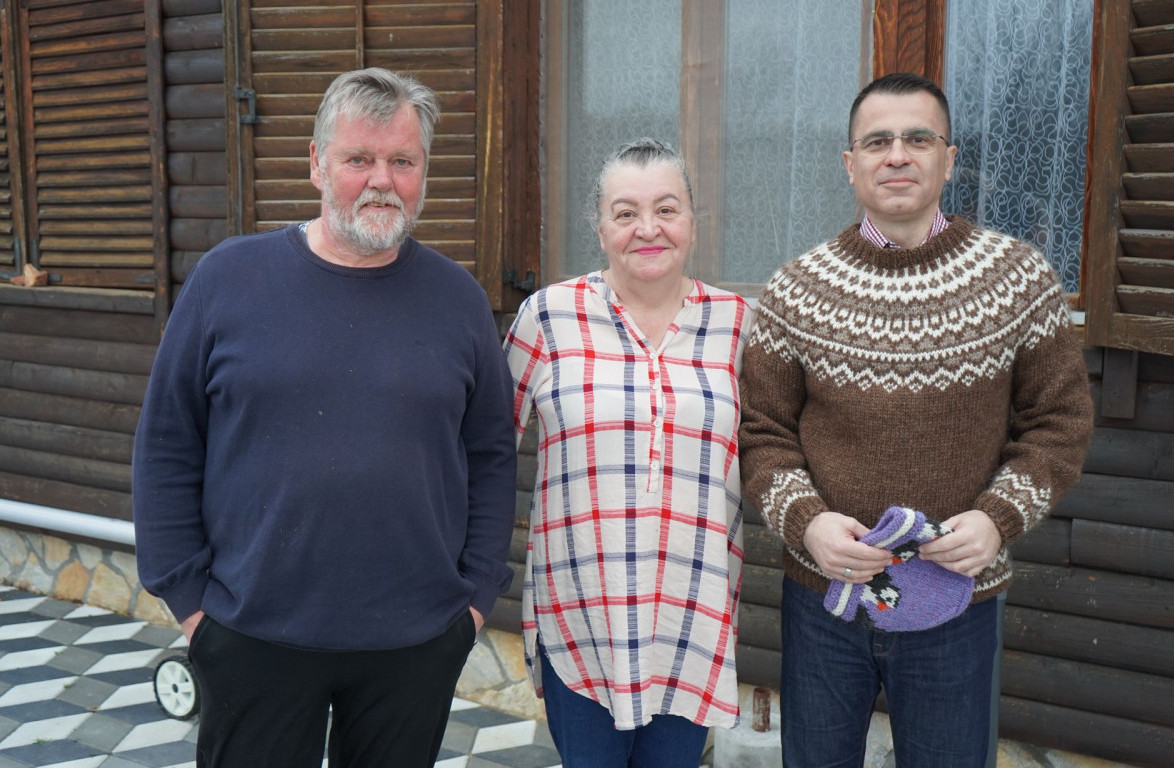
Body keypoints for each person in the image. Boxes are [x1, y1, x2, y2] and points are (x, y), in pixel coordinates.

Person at [132, 68, 516, 767]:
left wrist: (475, 599)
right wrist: (190, 606)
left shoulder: (459, 300)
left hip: (416, 639)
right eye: (358, 159)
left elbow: (490, 452)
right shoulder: (227, 280)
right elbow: (165, 444)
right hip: (252, 635)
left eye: (403, 161)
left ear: (423, 171)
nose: (382, 180)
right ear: (316, 164)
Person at [739, 72, 1093, 767]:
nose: (896, 155)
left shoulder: (1018, 279)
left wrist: (997, 518)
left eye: (917, 138)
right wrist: (807, 521)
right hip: (824, 600)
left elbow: (1059, 421)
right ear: (851, 164)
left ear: (949, 157)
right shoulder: (795, 290)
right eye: (877, 141)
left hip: (959, 602)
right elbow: (763, 436)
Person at [503, 138, 754, 767]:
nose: (648, 229)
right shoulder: (548, 319)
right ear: (600, 226)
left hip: (691, 621)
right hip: (580, 618)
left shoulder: (739, 327)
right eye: (625, 213)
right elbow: (484, 454)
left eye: (666, 210)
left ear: (695, 221)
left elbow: (778, 453)